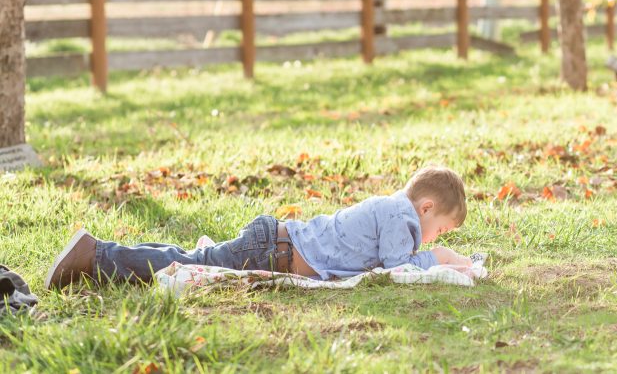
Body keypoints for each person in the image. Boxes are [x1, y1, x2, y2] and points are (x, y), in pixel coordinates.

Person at [45, 165, 471, 290]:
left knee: (191, 258)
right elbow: (400, 267)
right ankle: (95, 255)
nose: (435, 239)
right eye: (440, 231)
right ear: (426, 207)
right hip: (273, 249)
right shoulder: (401, 218)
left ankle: (104, 252)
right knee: (188, 261)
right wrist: (439, 258)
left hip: (277, 246)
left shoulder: (397, 210)